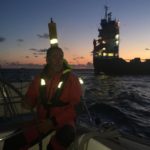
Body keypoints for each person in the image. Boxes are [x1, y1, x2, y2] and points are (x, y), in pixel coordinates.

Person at [3, 46, 82, 150]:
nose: (59, 60)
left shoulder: (72, 79)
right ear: (47, 59)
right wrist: (27, 102)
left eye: (61, 57)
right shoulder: (39, 79)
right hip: (42, 121)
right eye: (55, 57)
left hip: (64, 121)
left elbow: (76, 108)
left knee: (66, 135)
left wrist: (52, 122)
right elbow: (30, 98)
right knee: (11, 142)